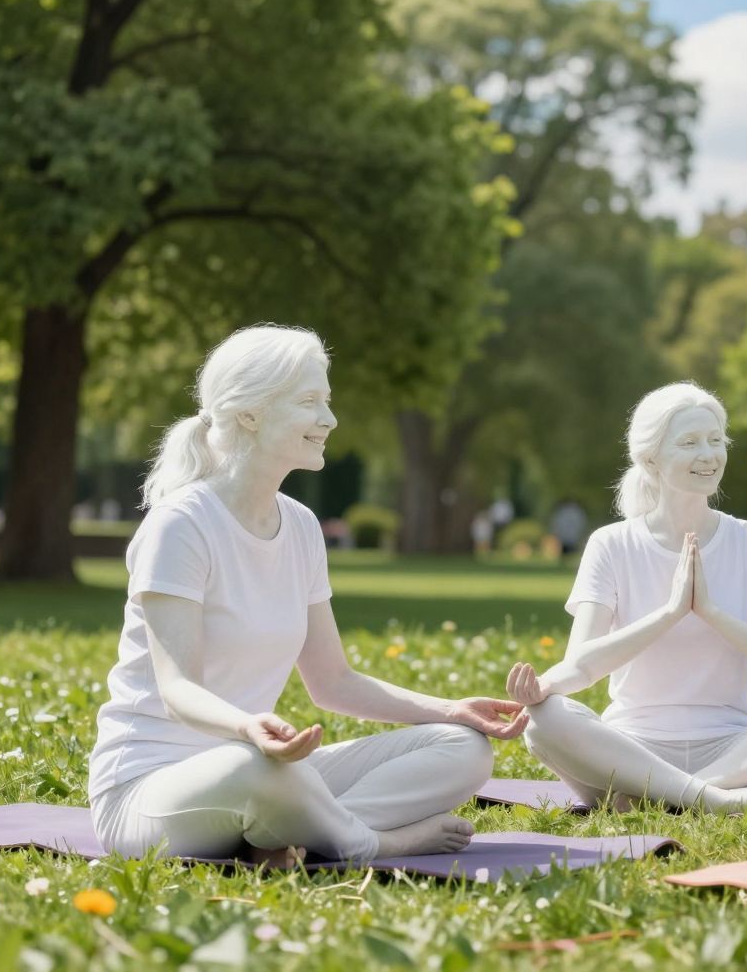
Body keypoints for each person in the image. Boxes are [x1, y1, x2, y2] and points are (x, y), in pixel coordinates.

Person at [88, 326, 529, 867]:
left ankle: (290, 838)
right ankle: (370, 842)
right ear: (250, 414)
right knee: (257, 771)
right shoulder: (180, 525)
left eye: (327, 401)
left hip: (262, 768)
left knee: (462, 748)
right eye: (309, 402)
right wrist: (245, 727)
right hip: (149, 792)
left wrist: (451, 710)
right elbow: (178, 690)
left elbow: (333, 681)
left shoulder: (299, 527)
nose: (330, 419)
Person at [506, 381, 747, 815]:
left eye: (716, 440)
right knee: (542, 719)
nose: (708, 455)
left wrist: (711, 612)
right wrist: (670, 613)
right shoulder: (611, 544)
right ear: (650, 458)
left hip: (736, 750)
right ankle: (718, 800)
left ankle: (667, 797)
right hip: (630, 748)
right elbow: (581, 664)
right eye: (689, 443)